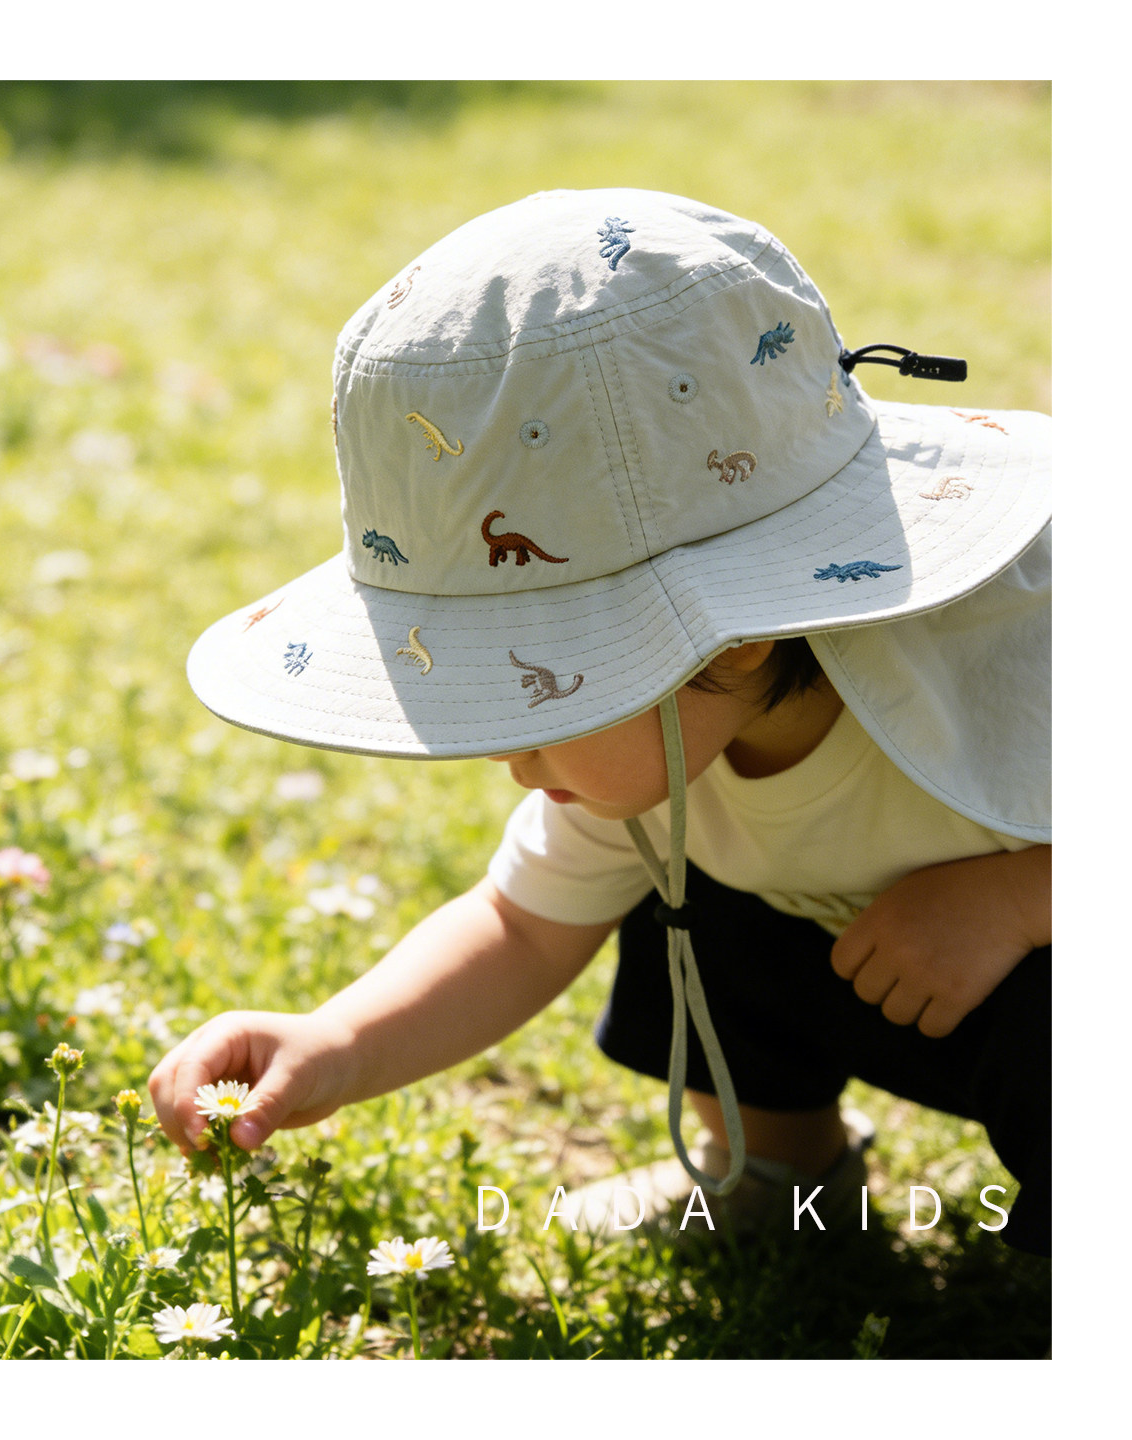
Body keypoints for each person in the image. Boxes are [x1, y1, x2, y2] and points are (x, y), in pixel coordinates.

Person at [147, 189, 1051, 1256]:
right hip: (891, 973)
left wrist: (1018, 898)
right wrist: (336, 1041)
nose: (508, 754)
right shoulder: (663, 750)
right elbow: (523, 925)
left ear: (732, 642)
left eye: (542, 696)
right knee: (688, 890)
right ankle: (775, 1164)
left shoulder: (1025, 649)